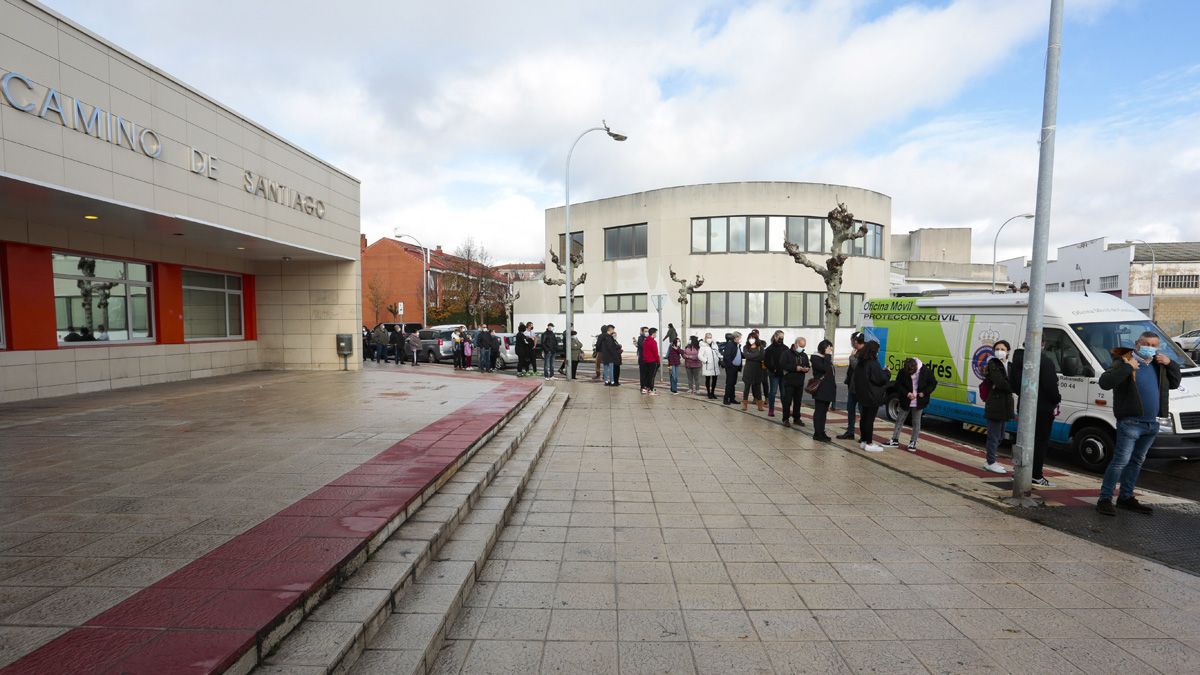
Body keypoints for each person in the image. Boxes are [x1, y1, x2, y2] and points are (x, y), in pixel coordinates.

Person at [1096, 332, 1182, 516]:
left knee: (1136, 462)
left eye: (1153, 344)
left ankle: (1126, 498)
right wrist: (1128, 368)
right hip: (1130, 423)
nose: (1150, 347)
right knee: (1120, 462)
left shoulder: (1158, 365)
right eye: (1146, 343)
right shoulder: (1124, 361)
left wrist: (1170, 364)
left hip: (1151, 423)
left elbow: (1174, 383)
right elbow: (1105, 382)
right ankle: (1104, 499)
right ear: (1137, 344)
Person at [1009, 343, 1061, 487]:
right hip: (1042, 408)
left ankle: (1019, 472)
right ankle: (1036, 475)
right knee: (1040, 442)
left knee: (1023, 441)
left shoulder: (1018, 359)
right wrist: (1057, 399)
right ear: (1043, 344)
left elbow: (1013, 384)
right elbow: (1051, 387)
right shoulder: (1045, 362)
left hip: (1025, 406)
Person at [887, 357, 937, 451]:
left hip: (919, 401)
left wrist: (924, 392)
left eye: (911, 372)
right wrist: (907, 393)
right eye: (908, 372)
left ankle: (913, 442)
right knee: (899, 420)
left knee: (916, 422)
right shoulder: (903, 371)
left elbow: (933, 383)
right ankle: (894, 440)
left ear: (916, 367)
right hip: (906, 399)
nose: (909, 374)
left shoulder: (926, 371)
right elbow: (898, 384)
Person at [982, 340, 1014, 473]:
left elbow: (1013, 382)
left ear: (1008, 351)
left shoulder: (1011, 366)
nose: (999, 351)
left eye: (1002, 348)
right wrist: (1009, 386)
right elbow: (1001, 383)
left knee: (1001, 435)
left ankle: (990, 460)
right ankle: (990, 462)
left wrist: (1007, 385)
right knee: (994, 436)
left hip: (1006, 405)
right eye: (997, 348)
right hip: (995, 404)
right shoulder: (993, 364)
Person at [853, 339, 890, 452]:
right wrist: (887, 372)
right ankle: (869, 443)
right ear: (874, 351)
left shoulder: (861, 361)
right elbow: (879, 379)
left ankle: (864, 441)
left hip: (862, 394)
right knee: (869, 420)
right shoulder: (873, 363)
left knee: (864, 418)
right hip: (872, 395)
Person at [837, 332, 867, 440]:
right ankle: (850, 431)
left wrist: (852, 357)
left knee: (863, 412)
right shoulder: (857, 351)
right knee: (850, 410)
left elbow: (858, 368)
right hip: (852, 386)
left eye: (851, 340)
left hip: (861, 388)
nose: (851, 343)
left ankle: (864, 435)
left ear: (855, 341)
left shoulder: (865, 353)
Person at [778, 337, 810, 427]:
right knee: (787, 401)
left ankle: (797, 418)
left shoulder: (804, 355)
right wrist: (795, 368)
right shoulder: (787, 353)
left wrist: (806, 369)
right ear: (796, 344)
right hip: (789, 381)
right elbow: (782, 365)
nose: (802, 348)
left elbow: (807, 364)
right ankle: (785, 419)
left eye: (803, 347)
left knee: (798, 401)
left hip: (800, 382)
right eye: (800, 346)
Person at [809, 340, 837, 441]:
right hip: (821, 389)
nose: (831, 350)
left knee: (824, 412)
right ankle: (817, 433)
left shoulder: (825, 358)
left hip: (828, 388)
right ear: (824, 348)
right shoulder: (816, 358)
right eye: (829, 348)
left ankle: (822, 431)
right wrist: (828, 355)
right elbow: (824, 368)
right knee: (819, 411)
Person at [741, 330, 767, 411]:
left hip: (758, 370)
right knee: (747, 388)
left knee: (758, 388)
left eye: (753, 338)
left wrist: (752, 356)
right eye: (750, 338)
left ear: (756, 339)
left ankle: (760, 405)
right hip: (748, 370)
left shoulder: (760, 347)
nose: (751, 339)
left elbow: (762, 357)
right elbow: (747, 356)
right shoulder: (745, 347)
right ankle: (744, 405)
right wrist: (756, 356)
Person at [764, 330, 788, 417]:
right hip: (774, 374)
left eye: (783, 337)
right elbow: (766, 362)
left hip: (783, 374)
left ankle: (785, 411)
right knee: (773, 392)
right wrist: (772, 369)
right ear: (775, 337)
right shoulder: (769, 349)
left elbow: (788, 360)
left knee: (784, 393)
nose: (781, 339)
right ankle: (771, 409)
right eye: (780, 337)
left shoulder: (786, 348)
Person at [721, 332, 742, 405]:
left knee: (733, 383)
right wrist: (731, 365)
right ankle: (726, 399)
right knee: (729, 383)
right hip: (731, 368)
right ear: (735, 337)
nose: (739, 339)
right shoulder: (730, 345)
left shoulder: (736, 345)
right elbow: (727, 356)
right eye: (739, 337)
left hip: (735, 367)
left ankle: (732, 398)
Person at [699, 333, 721, 399]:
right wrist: (705, 361)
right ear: (705, 338)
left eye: (710, 337)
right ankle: (708, 393)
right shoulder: (702, 346)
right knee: (708, 379)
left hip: (715, 365)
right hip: (707, 366)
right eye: (708, 337)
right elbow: (699, 355)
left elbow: (717, 353)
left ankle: (713, 392)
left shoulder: (714, 345)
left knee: (714, 380)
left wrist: (720, 357)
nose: (709, 339)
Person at [641, 327, 661, 395]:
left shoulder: (645, 341)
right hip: (652, 361)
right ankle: (651, 390)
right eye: (656, 333)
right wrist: (658, 361)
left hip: (646, 361)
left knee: (646, 375)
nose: (656, 334)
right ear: (653, 333)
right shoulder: (653, 342)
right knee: (652, 376)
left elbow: (644, 351)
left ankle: (645, 388)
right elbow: (655, 353)